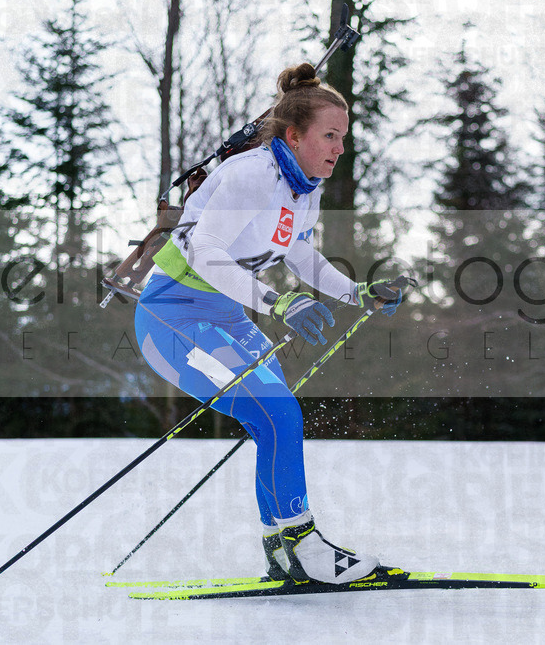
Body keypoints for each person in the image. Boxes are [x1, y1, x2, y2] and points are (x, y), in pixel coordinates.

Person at [134, 63, 404, 584]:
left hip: (223, 315)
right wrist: (278, 303)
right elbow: (206, 251)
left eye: (343, 137)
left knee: (276, 419)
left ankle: (283, 549)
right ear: (293, 135)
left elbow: (298, 252)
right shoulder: (251, 175)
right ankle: (304, 546)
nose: (340, 148)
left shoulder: (304, 185)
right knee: (277, 413)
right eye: (330, 135)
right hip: (174, 317)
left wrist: (357, 293)